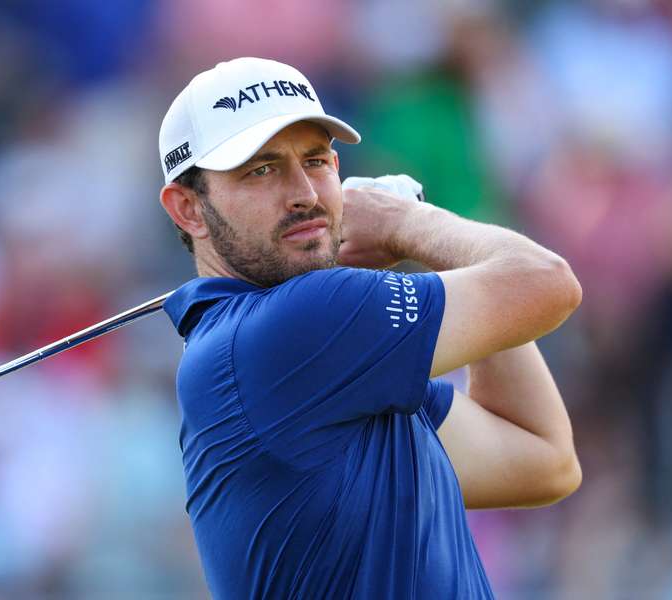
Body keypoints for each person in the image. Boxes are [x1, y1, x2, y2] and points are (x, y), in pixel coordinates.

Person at [157, 57, 582, 599]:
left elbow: (543, 461)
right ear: (189, 209)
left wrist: (438, 254)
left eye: (314, 161)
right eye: (260, 170)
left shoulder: (328, 364)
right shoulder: (294, 326)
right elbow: (548, 283)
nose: (305, 195)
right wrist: (409, 223)